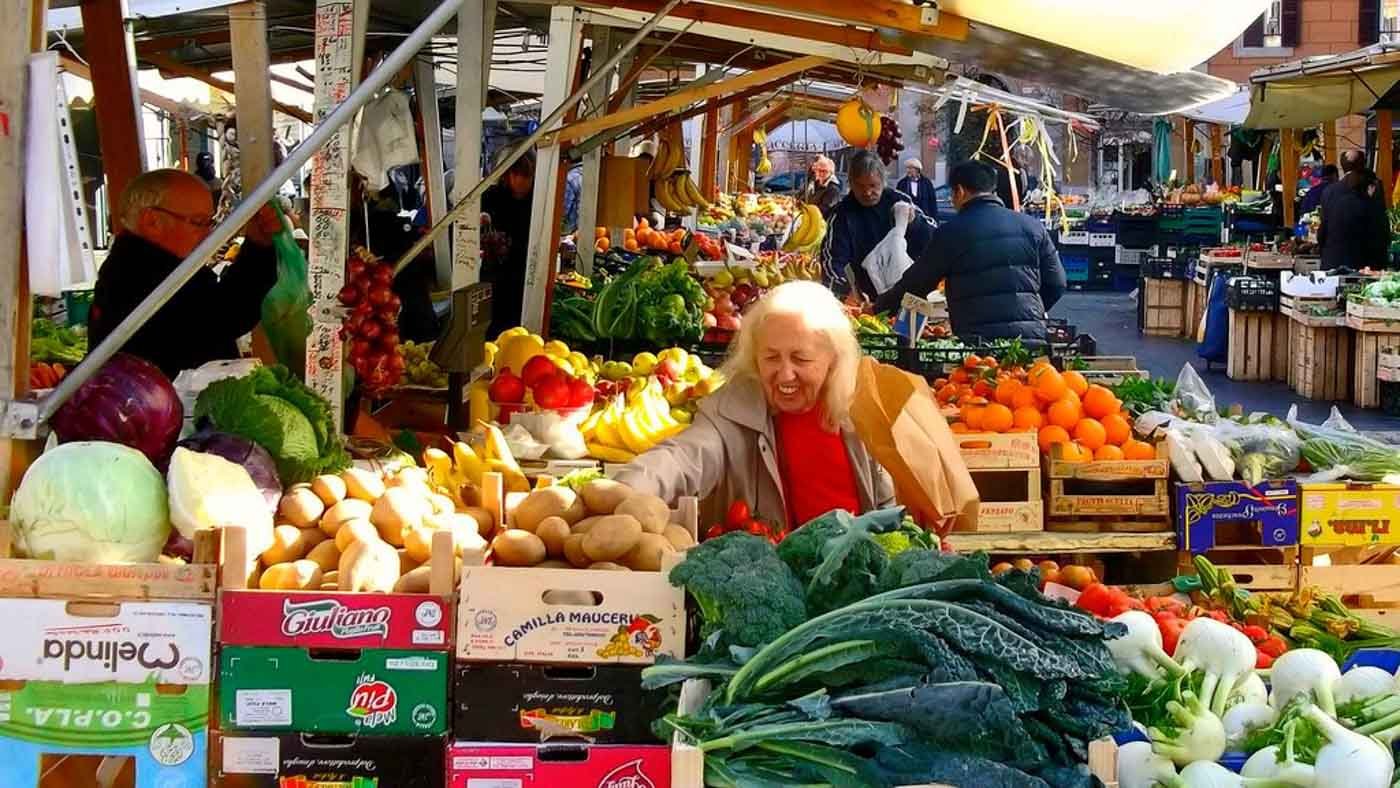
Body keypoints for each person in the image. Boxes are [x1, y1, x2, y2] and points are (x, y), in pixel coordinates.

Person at [613, 281, 894, 529]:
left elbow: (889, 504)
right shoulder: (732, 408)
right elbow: (685, 456)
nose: (785, 374)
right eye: (771, 358)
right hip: (768, 577)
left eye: (801, 359)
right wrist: (624, 490)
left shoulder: (863, 407)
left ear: (833, 358)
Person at [88, 169, 282, 379]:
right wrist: (258, 248)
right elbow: (223, 317)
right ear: (152, 221)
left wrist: (258, 246)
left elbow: (223, 311)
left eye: (209, 223)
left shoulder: (150, 262)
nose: (207, 234)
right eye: (198, 222)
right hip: (152, 406)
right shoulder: (138, 275)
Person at [876, 159, 1065, 344]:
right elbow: (1057, 283)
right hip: (1030, 341)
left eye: (952, 193)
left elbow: (917, 283)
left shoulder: (951, 232)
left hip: (978, 344)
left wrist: (879, 308)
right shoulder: (1033, 227)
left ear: (960, 191)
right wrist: (1029, 315)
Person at [824, 150, 934, 302]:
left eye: (873, 185)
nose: (868, 192)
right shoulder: (841, 215)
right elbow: (832, 262)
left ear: (883, 181)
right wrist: (845, 291)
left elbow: (933, 239)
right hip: (865, 299)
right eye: (860, 186)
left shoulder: (900, 201)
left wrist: (915, 223)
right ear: (851, 184)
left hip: (909, 296)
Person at [480, 148, 536, 338]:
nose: (520, 181)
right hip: (494, 277)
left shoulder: (539, 199)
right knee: (493, 329)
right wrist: (481, 221)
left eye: (526, 176)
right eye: (516, 174)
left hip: (526, 276)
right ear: (507, 175)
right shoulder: (491, 196)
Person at [1318, 150, 1391, 270]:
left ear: (1342, 166)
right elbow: (1382, 230)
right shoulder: (1373, 190)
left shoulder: (1329, 192)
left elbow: (1323, 230)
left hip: (1333, 261)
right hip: (1364, 264)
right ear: (1363, 164)